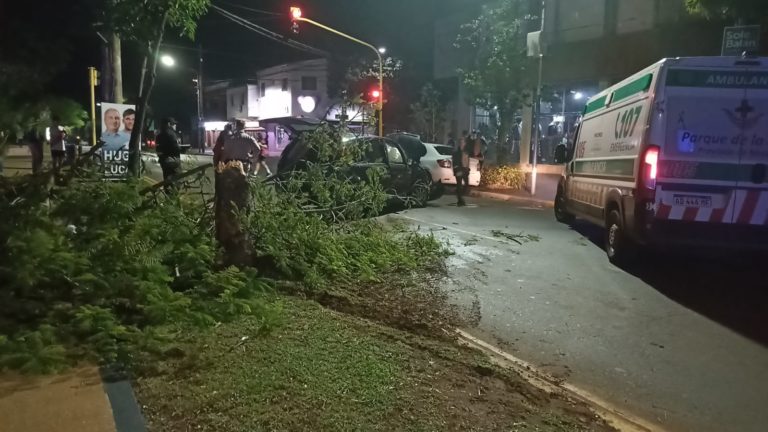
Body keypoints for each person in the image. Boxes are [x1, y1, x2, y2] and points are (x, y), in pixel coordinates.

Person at [156, 117, 182, 184]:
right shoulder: (171, 134)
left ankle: (168, 191)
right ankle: (174, 193)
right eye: (173, 124)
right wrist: (181, 149)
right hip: (173, 160)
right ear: (169, 124)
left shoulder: (159, 135)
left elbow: (158, 149)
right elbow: (176, 148)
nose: (175, 125)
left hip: (164, 161)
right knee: (176, 179)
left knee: (167, 178)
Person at [452, 137, 471, 207]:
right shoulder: (456, 152)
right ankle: (460, 200)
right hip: (459, 170)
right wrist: (457, 170)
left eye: (463, 142)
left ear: (465, 143)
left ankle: (459, 195)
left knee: (466, 185)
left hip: (465, 171)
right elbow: (454, 162)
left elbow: (467, 161)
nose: (462, 144)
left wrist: (468, 169)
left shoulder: (466, 152)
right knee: (459, 185)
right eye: (460, 142)